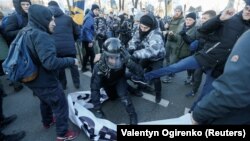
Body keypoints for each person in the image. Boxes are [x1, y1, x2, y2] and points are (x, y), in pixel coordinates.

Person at [132, 4, 250, 107]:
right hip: (204, 56)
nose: (248, 11)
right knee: (174, 67)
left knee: (204, 92)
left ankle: (192, 111)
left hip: (220, 67)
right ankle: (144, 77)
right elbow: (202, 32)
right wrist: (219, 18)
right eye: (247, 8)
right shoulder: (230, 19)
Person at [22, 4, 79, 141]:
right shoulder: (41, 36)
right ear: (42, 19)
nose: (54, 24)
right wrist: (71, 61)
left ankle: (47, 121)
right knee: (60, 104)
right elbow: (51, 63)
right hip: (44, 79)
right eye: (51, 20)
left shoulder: (26, 30)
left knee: (44, 101)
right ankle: (63, 134)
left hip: (32, 78)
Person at [191, 29, 250, 124]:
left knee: (206, 92)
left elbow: (234, 90)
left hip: (235, 115)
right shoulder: (226, 23)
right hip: (213, 65)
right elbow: (202, 32)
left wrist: (198, 114)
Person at [90, 38, 139, 125]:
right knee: (113, 98)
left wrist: (130, 61)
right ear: (105, 55)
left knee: (123, 96)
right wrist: (97, 108)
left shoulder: (124, 58)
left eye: (117, 57)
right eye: (111, 57)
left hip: (119, 78)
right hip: (107, 83)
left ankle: (133, 114)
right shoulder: (98, 66)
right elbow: (94, 88)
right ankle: (130, 88)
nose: (115, 61)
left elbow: (138, 70)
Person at [128, 13, 166, 103]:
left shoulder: (156, 34)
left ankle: (158, 93)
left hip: (157, 58)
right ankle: (140, 86)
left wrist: (135, 54)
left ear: (151, 26)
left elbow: (153, 50)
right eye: (141, 26)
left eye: (146, 28)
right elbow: (134, 40)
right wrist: (130, 49)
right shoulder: (140, 28)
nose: (143, 29)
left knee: (156, 77)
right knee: (139, 70)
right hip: (146, 56)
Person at [48, 1, 81, 90]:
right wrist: (72, 40)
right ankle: (77, 83)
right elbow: (77, 32)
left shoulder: (48, 20)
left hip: (56, 48)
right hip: (70, 47)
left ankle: (63, 85)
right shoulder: (69, 18)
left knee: (60, 67)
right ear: (58, 7)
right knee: (73, 65)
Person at [81, 4, 99, 72]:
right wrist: (90, 41)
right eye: (96, 10)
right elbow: (86, 29)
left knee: (87, 54)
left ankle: (83, 68)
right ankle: (93, 69)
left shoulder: (89, 16)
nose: (97, 11)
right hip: (87, 39)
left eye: (98, 10)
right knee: (92, 54)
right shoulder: (89, 17)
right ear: (93, 10)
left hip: (86, 38)